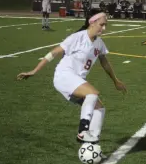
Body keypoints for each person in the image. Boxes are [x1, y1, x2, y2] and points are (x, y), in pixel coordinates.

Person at [16, 9, 127, 144]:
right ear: (92, 22)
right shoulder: (77, 37)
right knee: (92, 94)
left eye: (105, 25)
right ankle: (83, 132)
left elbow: (104, 62)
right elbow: (53, 53)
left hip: (76, 80)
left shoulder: (99, 43)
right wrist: (34, 71)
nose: (104, 28)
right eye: (101, 24)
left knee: (99, 108)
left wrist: (115, 81)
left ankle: (92, 143)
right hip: (64, 76)